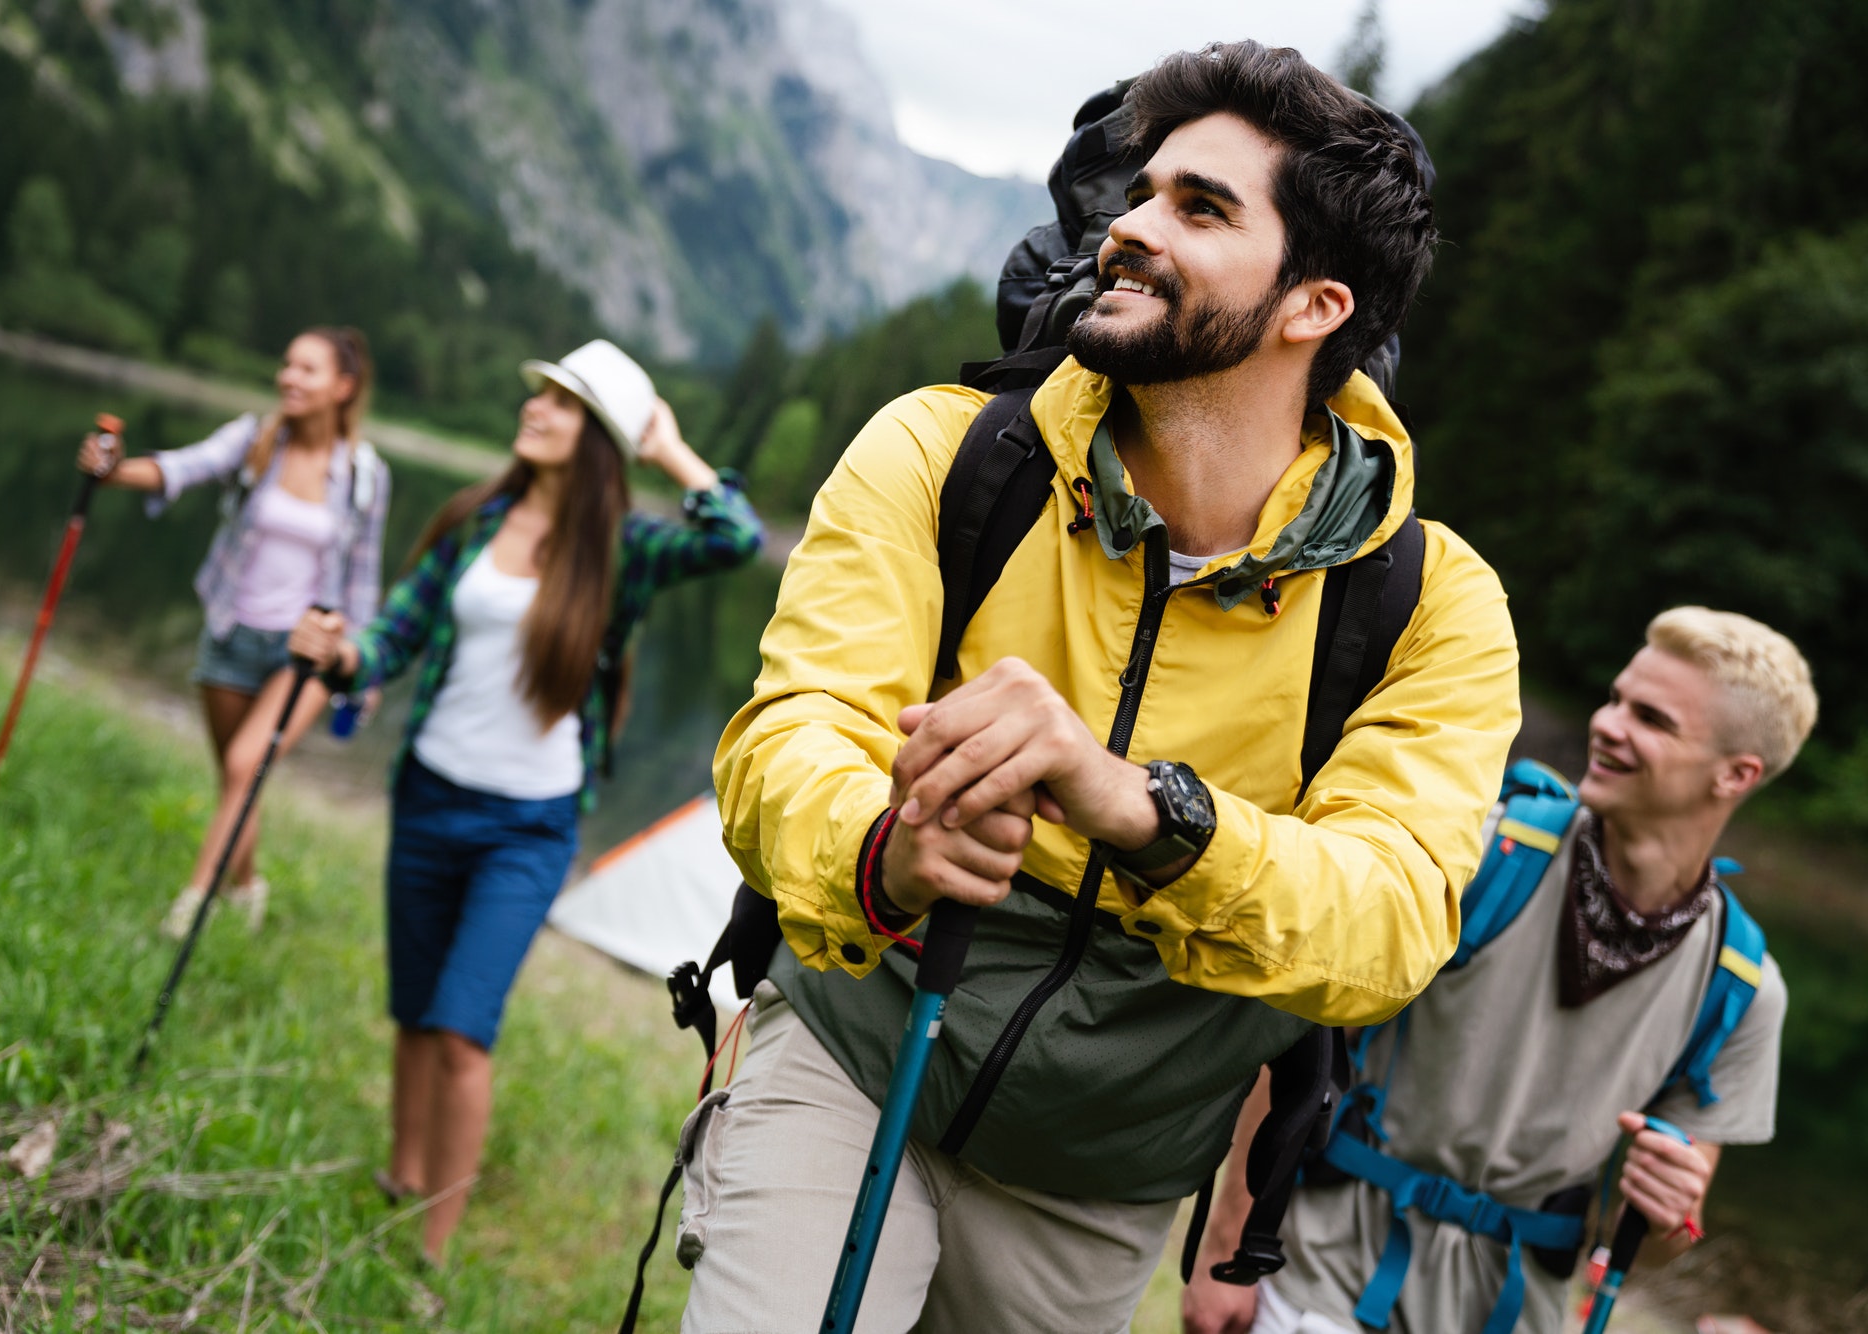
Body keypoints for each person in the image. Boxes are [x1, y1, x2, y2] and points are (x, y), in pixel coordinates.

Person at [691, 42, 1520, 1332]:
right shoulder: (944, 449)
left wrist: (1143, 809)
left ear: (1313, 305)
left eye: (1198, 206)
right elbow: (790, 734)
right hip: (856, 1050)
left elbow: (1389, 922)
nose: (1126, 227)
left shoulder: (1432, 605)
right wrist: (885, 851)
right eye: (1141, 192)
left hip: (1103, 1176)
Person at [1182, 607, 1812, 1334]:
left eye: (1653, 719)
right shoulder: (1476, 857)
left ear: (1736, 774)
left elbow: (1645, 1243)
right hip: (1322, 1280)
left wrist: (1669, 1216)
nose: (1607, 725)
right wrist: (1226, 1249)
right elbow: (1297, 1036)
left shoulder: (1742, 989)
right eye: (1615, 700)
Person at [288, 338, 763, 1263]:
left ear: (599, 440)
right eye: (540, 394)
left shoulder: (624, 552)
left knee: (465, 1030)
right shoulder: (475, 520)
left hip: (529, 827)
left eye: (564, 402)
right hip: (428, 796)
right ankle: (399, 1178)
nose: (537, 407)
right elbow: (395, 636)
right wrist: (343, 657)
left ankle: (428, 1251)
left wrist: (666, 448)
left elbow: (734, 537)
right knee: (417, 1011)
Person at [80, 327, 386, 936]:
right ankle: (247, 886)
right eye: (286, 364)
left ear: (343, 387)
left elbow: (363, 577)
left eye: (308, 369)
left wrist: (364, 663)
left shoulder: (365, 476)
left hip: (305, 654)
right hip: (231, 631)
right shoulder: (255, 440)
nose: (289, 378)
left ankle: (190, 907)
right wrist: (113, 473)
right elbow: (182, 468)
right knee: (236, 778)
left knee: (248, 763)